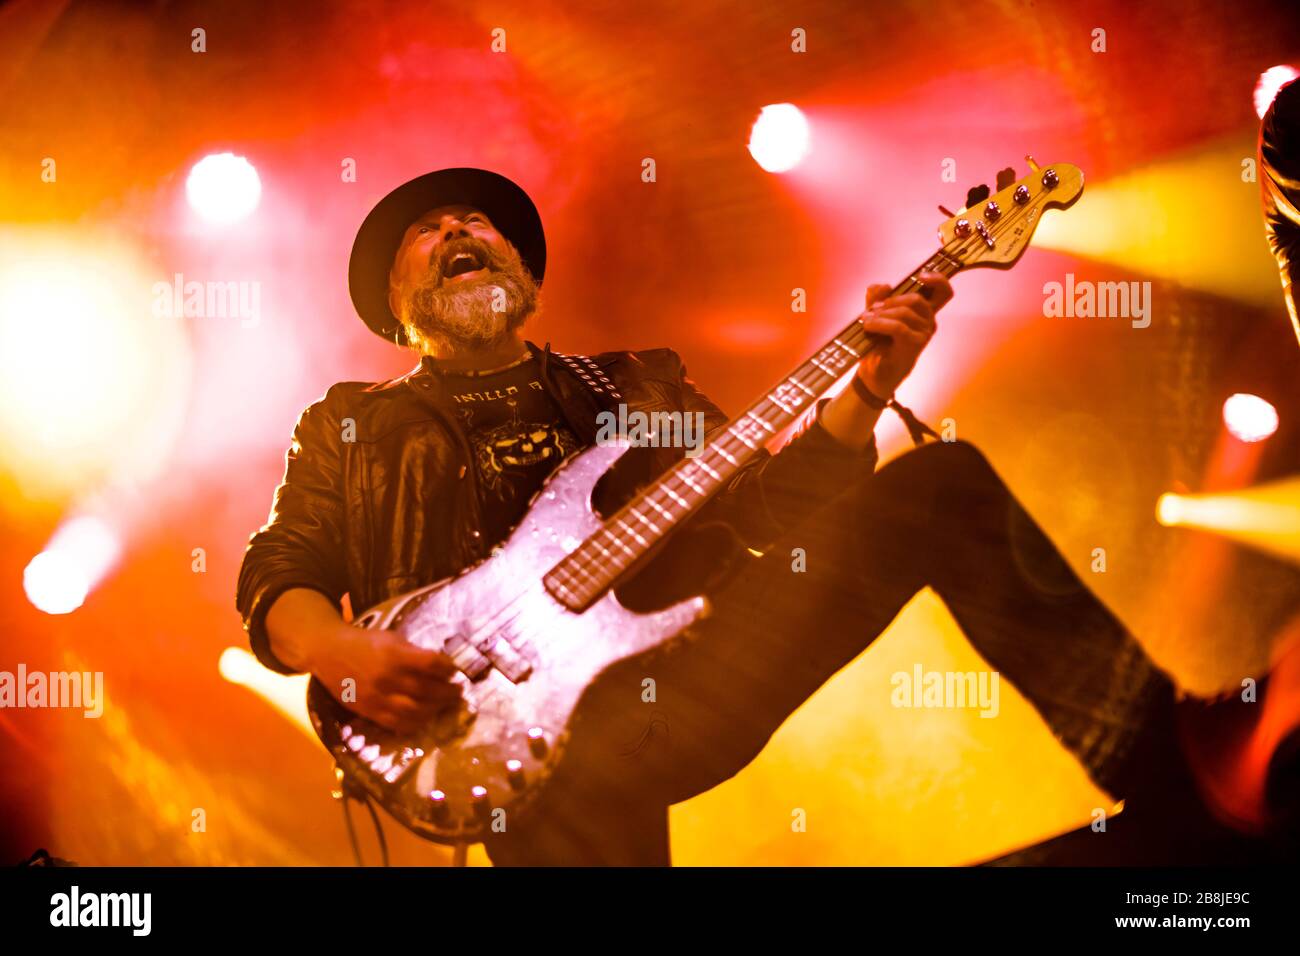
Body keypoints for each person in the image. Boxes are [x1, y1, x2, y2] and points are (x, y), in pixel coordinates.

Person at [236, 167, 1278, 865]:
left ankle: (1182, 778)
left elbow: (774, 508)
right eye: (425, 233)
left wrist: (866, 388)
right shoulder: (352, 425)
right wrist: (347, 655)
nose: (457, 229)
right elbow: (281, 566)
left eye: (476, 223)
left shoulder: (637, 385)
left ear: (523, 274)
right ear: (395, 303)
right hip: (500, 731)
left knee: (937, 485)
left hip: (683, 671)